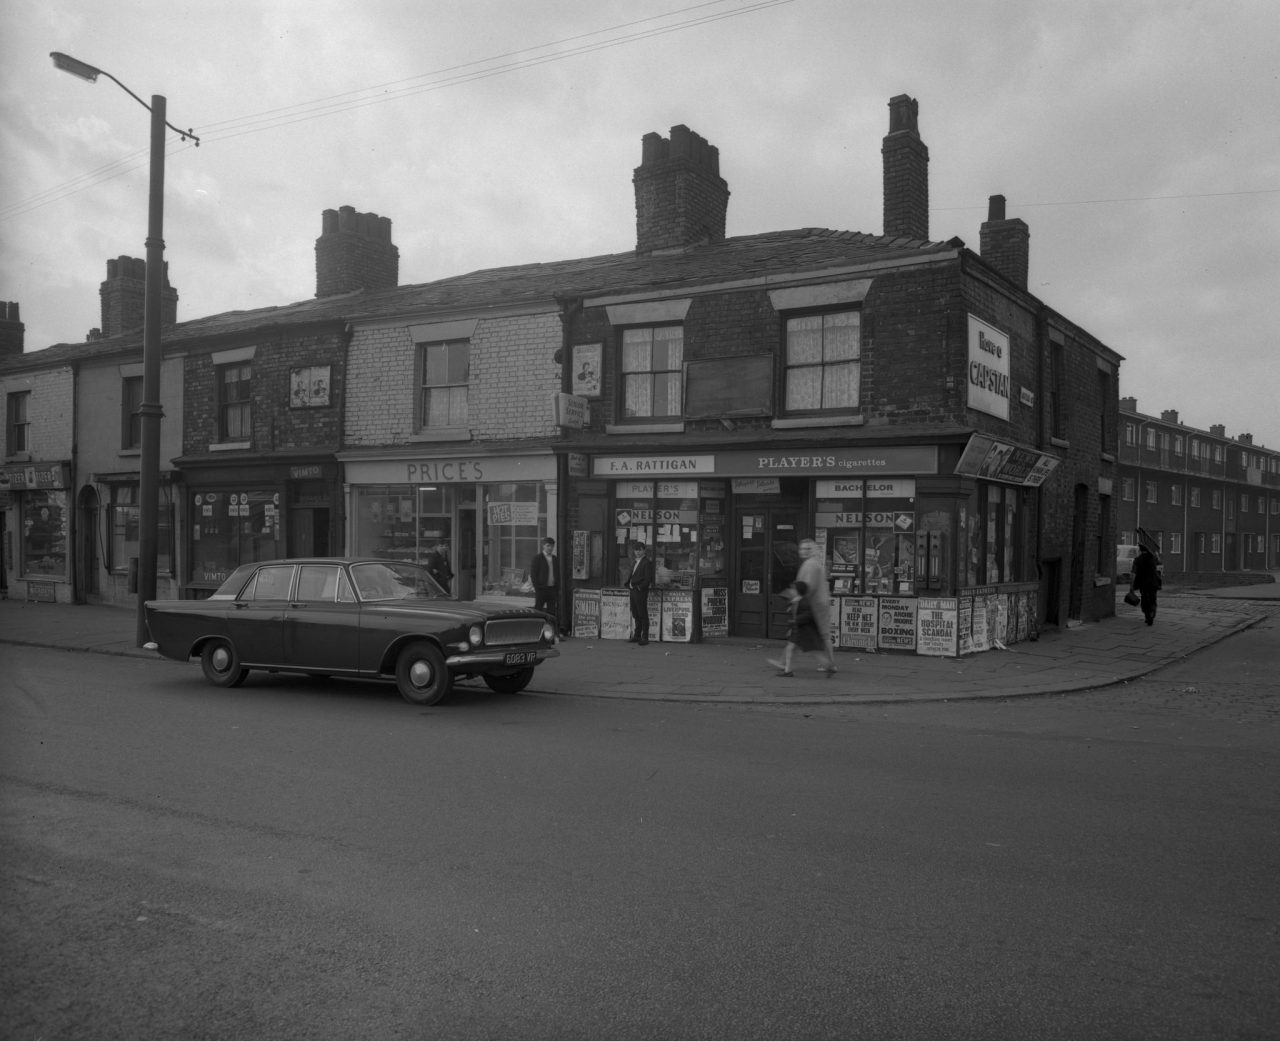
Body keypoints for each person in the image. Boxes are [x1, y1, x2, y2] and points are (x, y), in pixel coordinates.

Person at [767, 580, 831, 677]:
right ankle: (788, 670)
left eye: (793, 589)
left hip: (803, 632)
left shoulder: (803, 602)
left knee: (812, 651)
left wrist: (795, 620)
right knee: (793, 649)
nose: (791, 591)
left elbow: (807, 615)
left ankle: (828, 666)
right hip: (800, 631)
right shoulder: (798, 601)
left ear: (798, 591)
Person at [793, 537, 837, 674]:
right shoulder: (814, 563)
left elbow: (808, 587)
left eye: (807, 548)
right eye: (802, 548)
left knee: (823, 635)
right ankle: (829, 663)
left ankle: (831, 664)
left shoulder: (810, 564)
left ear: (812, 550)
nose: (804, 551)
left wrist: (797, 599)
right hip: (819, 603)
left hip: (815, 605)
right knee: (821, 635)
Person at [529, 537, 562, 633]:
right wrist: (537, 588)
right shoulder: (537, 558)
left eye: (552, 546)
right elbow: (533, 574)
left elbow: (558, 574)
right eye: (548, 546)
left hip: (552, 589)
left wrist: (557, 588)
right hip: (541, 589)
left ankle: (552, 633)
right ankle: (535, 631)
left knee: (552, 612)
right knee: (538, 610)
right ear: (543, 546)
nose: (550, 548)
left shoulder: (555, 559)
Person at [626, 541, 654, 645]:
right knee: (635, 613)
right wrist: (629, 585)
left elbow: (648, 579)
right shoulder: (634, 562)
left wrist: (639, 588)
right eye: (636, 550)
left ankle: (645, 637)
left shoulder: (647, 562)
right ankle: (637, 635)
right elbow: (632, 575)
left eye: (639, 550)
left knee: (642, 614)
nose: (637, 552)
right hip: (633, 590)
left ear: (644, 550)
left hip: (640, 591)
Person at [1130, 543, 1160, 626]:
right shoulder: (1153, 558)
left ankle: (1147, 616)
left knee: (1144, 600)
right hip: (1154, 583)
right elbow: (1159, 564)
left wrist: (1131, 587)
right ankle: (1152, 610)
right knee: (1153, 599)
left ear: (1140, 551)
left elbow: (1133, 574)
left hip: (1143, 585)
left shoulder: (1137, 560)